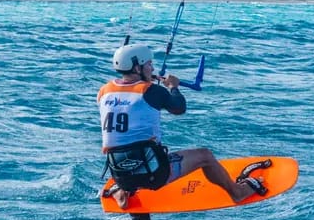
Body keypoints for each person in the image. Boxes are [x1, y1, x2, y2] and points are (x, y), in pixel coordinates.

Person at [99, 42, 267, 209]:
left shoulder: (104, 91)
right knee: (205, 156)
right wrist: (173, 87)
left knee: (128, 144)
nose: (152, 68)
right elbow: (179, 108)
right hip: (153, 174)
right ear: (137, 68)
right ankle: (237, 192)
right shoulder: (151, 91)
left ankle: (123, 192)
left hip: (119, 175)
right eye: (149, 64)